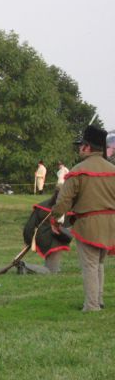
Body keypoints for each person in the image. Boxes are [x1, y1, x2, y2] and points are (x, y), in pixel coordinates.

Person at [51, 125, 115, 312]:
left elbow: (63, 201)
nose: (79, 148)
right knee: (99, 263)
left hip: (89, 224)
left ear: (87, 147)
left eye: (81, 145)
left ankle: (92, 305)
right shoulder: (113, 169)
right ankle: (98, 300)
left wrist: (55, 218)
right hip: (111, 223)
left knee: (90, 265)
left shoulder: (78, 171)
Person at [20, 189, 71, 274]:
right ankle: (25, 266)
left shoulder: (42, 205)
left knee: (52, 267)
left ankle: (51, 267)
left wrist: (28, 239)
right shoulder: (65, 208)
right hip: (55, 240)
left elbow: (30, 226)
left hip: (41, 239)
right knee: (51, 271)